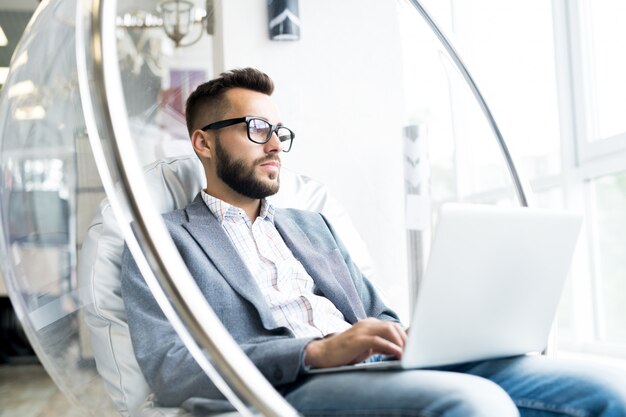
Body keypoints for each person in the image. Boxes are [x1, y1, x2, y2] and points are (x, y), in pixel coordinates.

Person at [121, 67, 626, 417]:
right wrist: (315, 352)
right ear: (203, 142)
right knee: (474, 405)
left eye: (279, 130)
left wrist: (406, 339)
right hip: (291, 384)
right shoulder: (164, 242)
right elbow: (172, 370)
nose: (275, 143)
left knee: (609, 390)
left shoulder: (312, 225)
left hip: (383, 367)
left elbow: (378, 315)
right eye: (256, 128)